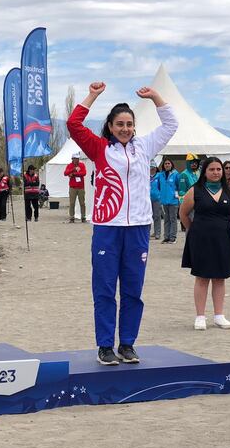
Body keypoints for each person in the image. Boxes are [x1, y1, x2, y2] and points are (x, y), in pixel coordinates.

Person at [67, 82, 178, 366]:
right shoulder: (99, 148)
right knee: (104, 289)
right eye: (120, 124)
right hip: (107, 227)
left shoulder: (145, 146)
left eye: (129, 124)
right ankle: (105, 346)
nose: (125, 129)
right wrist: (93, 95)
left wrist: (155, 96)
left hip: (139, 227)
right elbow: (73, 124)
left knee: (132, 290)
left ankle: (127, 344)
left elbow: (171, 123)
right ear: (110, 126)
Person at [179, 157, 230, 330]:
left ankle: (219, 316)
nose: (216, 172)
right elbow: (183, 214)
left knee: (220, 278)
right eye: (212, 169)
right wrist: (195, 230)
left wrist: (221, 229)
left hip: (223, 240)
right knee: (202, 277)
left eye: (219, 169)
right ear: (204, 171)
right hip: (201, 240)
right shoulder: (195, 190)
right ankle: (200, 316)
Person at [157, 158, 180, 243]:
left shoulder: (176, 174)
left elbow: (178, 186)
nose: (167, 165)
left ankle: (172, 237)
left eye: (168, 163)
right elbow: (159, 187)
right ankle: (166, 237)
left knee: (173, 219)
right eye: (165, 164)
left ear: (171, 164)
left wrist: (176, 196)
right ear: (163, 165)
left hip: (173, 201)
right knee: (166, 219)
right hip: (164, 201)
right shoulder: (160, 175)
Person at [64, 153, 87, 222]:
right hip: (72, 187)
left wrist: (74, 174)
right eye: (75, 158)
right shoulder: (69, 165)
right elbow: (65, 173)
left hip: (81, 187)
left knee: (82, 203)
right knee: (72, 203)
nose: (77, 160)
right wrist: (73, 170)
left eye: (78, 158)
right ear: (72, 159)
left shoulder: (82, 165)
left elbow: (84, 173)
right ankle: (72, 217)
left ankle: (83, 217)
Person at [149, 161, 161, 240]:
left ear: (156, 168)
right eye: (150, 167)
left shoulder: (159, 176)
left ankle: (157, 233)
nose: (152, 169)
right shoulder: (146, 176)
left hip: (157, 199)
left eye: (153, 167)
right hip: (148, 199)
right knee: (149, 217)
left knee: (157, 216)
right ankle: (148, 233)